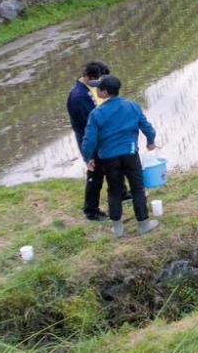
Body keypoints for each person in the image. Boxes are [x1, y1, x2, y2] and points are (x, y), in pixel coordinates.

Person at [80, 74, 159, 238]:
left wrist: (88, 158)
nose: (96, 90)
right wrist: (150, 141)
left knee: (114, 190)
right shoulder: (132, 106)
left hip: (108, 158)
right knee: (137, 188)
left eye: (98, 88)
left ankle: (118, 228)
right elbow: (147, 127)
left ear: (104, 92)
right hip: (130, 153)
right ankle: (143, 224)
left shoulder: (96, 114)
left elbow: (89, 140)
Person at [66, 60, 110, 221]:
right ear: (89, 76)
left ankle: (122, 193)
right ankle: (91, 210)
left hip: (97, 137)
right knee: (95, 173)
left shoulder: (87, 89)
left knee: (111, 166)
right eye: (99, 80)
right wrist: (89, 154)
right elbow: (89, 126)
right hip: (89, 140)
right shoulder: (79, 97)